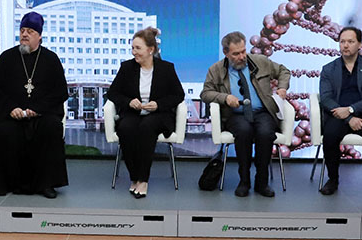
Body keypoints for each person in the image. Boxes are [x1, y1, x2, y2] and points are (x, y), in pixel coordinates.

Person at [0, 11, 68, 198]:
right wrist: (10, 108)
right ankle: (3, 183)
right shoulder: (7, 58)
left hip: (41, 115)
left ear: (39, 36)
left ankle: (46, 184)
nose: (24, 35)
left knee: (51, 128)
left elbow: (60, 92)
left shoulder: (51, 59)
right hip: (12, 116)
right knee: (3, 132)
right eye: (22, 31)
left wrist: (38, 109)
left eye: (30, 31)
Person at [200, 31, 290, 197]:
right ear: (226, 53)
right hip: (236, 115)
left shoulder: (261, 61)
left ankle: (262, 182)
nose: (242, 57)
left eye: (243, 51)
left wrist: (282, 87)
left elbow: (284, 71)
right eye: (236, 54)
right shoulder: (216, 70)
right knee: (243, 132)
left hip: (262, 112)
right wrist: (225, 98)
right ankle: (244, 181)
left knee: (265, 133)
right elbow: (205, 93)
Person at [106, 27, 185, 198]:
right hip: (133, 113)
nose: (134, 52)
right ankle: (134, 177)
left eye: (138, 48)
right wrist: (129, 101)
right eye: (132, 48)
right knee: (126, 128)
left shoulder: (166, 68)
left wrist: (158, 104)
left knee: (147, 127)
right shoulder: (127, 67)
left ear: (150, 50)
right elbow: (113, 93)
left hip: (159, 115)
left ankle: (143, 180)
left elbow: (178, 95)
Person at [317, 26, 362, 198]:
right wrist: (348, 117)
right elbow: (325, 98)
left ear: (360, 44)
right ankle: (333, 179)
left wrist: (351, 110)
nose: (345, 45)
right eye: (342, 42)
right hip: (337, 116)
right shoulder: (329, 69)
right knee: (330, 137)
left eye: (350, 41)